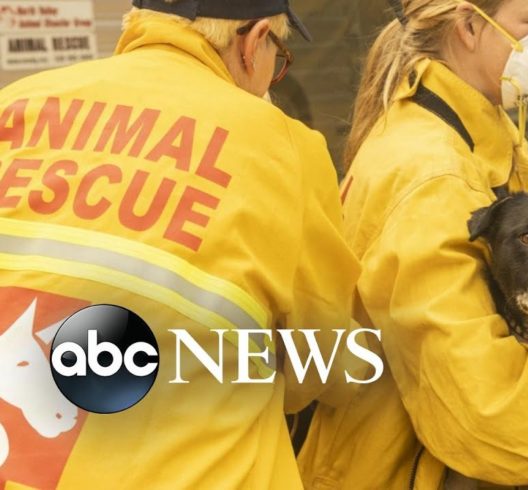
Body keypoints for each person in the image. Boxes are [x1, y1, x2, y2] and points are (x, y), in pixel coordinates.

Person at [0, 0, 360, 488]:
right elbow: (321, 363)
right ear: (253, 43)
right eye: (280, 57)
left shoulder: (17, 103)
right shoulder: (282, 146)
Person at [297, 0, 528, 487]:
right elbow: (478, 399)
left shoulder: (478, 138)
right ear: (469, 25)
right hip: (404, 471)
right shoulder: (433, 170)